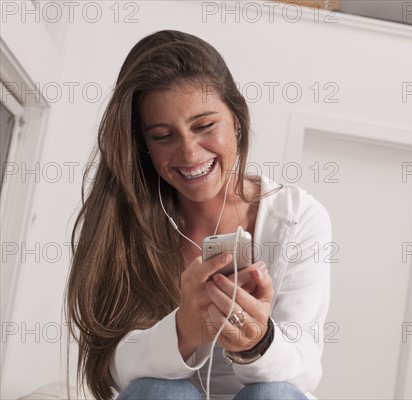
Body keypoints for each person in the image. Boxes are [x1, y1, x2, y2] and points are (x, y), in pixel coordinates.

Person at [65, 30, 331, 400]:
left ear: (236, 120)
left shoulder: (297, 218)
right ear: (142, 145)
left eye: (204, 126)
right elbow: (111, 366)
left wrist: (257, 341)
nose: (189, 154)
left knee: (272, 394)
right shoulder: (127, 222)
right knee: (158, 391)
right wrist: (183, 331)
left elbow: (303, 368)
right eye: (162, 136)